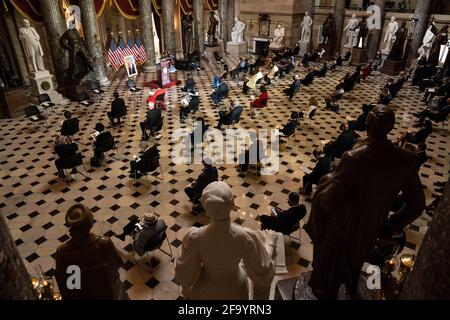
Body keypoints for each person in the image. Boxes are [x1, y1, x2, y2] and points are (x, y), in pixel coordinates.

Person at [304, 105, 425, 300]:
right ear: (391, 128)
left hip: (342, 228)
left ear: (367, 125)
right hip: (372, 226)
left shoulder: (355, 158)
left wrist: (325, 182)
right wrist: (392, 224)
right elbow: (418, 204)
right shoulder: (405, 159)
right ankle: (351, 287)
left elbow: (328, 201)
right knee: (354, 267)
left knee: (326, 283)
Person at [175, 181, 275, 300]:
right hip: (235, 289)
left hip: (205, 290)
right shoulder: (244, 236)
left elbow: (183, 272)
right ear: (232, 204)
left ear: (206, 207)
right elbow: (263, 267)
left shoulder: (195, 237)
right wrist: (269, 243)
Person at [55, 204, 128, 300]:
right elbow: (117, 264)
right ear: (91, 223)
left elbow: (63, 280)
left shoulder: (63, 251)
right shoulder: (103, 244)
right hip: (107, 292)